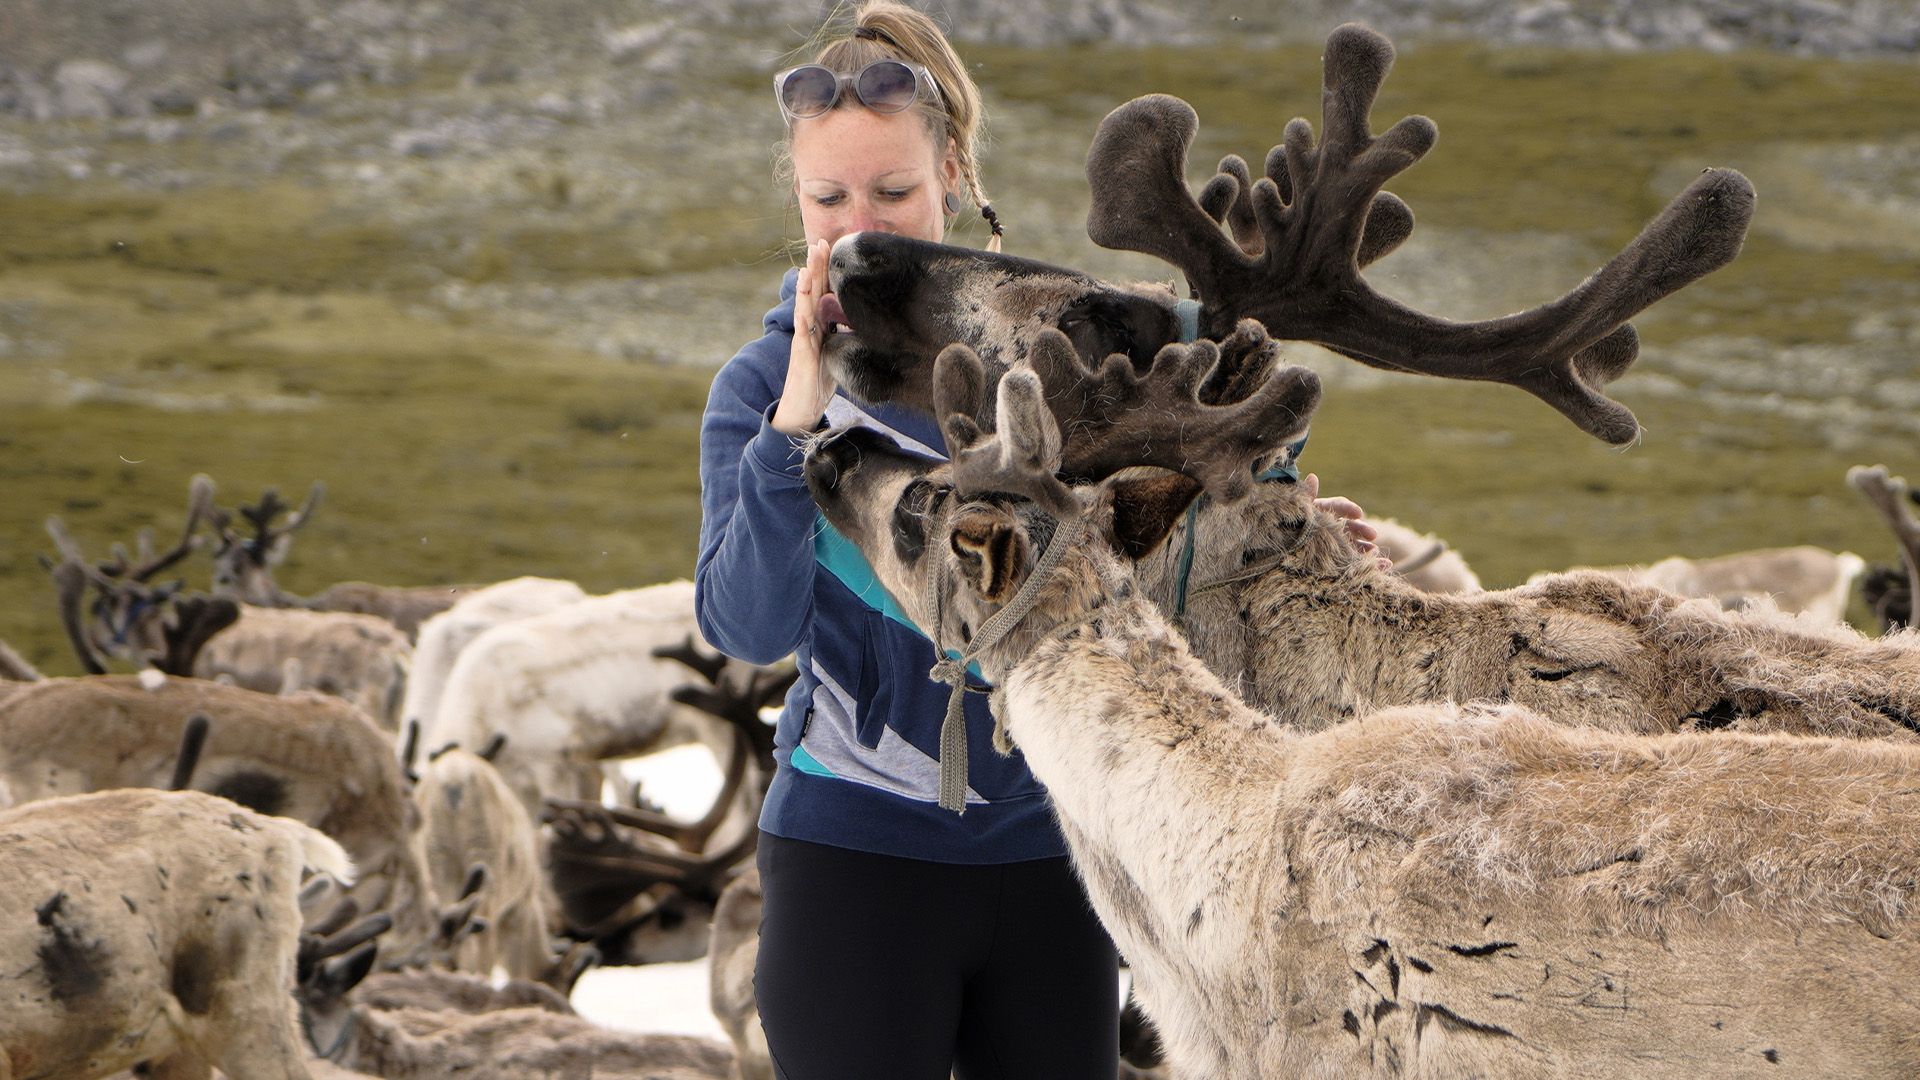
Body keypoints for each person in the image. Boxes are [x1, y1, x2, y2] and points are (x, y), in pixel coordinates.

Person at [693, 5, 1381, 1077]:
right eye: (830, 199)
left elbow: (1158, 566)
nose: (862, 227)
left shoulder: (1074, 366)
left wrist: (1284, 539)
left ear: (954, 172)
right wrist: (795, 424)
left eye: (894, 192)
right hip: (853, 864)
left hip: (1061, 859)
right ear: (797, 195)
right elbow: (746, 625)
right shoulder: (758, 391)